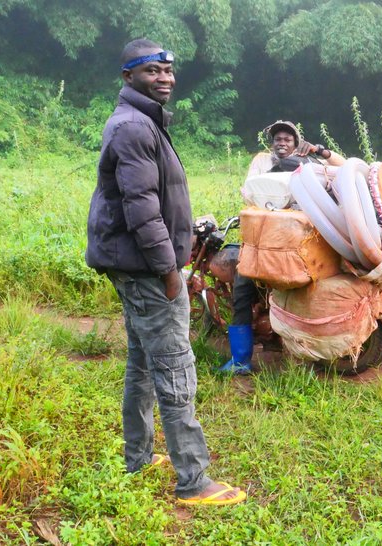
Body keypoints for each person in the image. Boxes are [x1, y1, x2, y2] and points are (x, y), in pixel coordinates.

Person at [85, 38, 246, 506]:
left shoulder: (142, 121)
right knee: (176, 366)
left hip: (137, 266)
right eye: (152, 70)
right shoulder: (133, 127)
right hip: (148, 269)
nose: (164, 78)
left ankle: (136, 457)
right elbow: (142, 210)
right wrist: (169, 271)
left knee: (142, 361)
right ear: (128, 76)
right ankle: (193, 481)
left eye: (168, 71)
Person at [218, 120, 345, 374]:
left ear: (297, 143)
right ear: (271, 142)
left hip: (294, 241)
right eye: (278, 139)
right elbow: (249, 191)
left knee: (296, 289)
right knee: (243, 287)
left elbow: (345, 169)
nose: (282, 143)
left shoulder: (309, 163)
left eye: (288, 139)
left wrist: (320, 151)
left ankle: (301, 350)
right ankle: (241, 360)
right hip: (262, 237)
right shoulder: (262, 162)